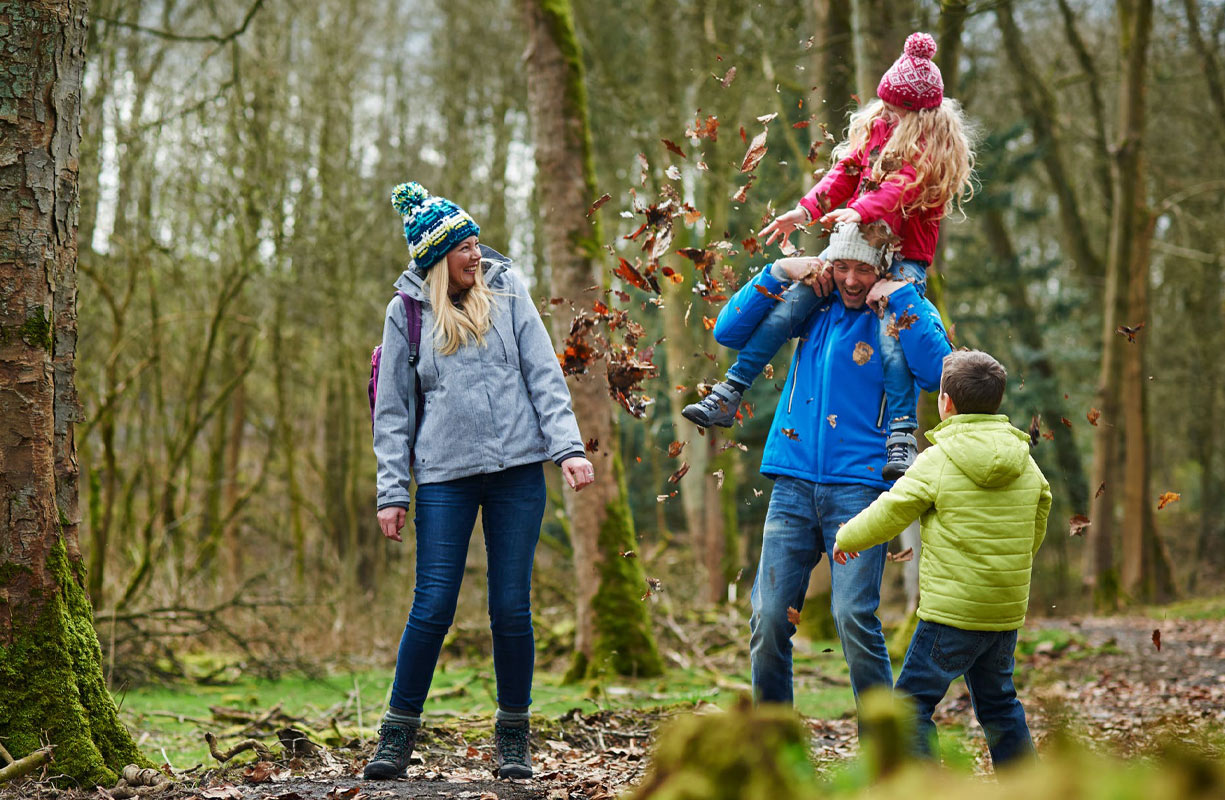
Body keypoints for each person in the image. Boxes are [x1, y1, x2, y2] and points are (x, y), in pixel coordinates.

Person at [367, 182, 595, 781]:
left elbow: (543, 374)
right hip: (444, 478)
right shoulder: (407, 313)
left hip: (518, 472)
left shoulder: (507, 288)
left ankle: (514, 738)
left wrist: (567, 449)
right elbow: (392, 411)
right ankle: (395, 736)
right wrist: (393, 491)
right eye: (463, 247)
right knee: (433, 605)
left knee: (510, 607)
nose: (476, 253)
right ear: (437, 258)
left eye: (475, 241)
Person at [684, 31, 975, 481]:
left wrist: (859, 215)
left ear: (920, 116)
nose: (889, 115)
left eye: (898, 111)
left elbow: (900, 189)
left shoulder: (929, 148)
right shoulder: (879, 128)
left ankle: (900, 433)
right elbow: (842, 173)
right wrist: (804, 211)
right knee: (788, 311)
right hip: (852, 241)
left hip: (902, 261)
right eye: (887, 107)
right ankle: (731, 390)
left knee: (891, 336)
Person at [710, 221, 951, 716]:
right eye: (842, 266)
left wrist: (903, 300)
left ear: (882, 268)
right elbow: (728, 331)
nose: (851, 280)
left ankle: (886, 757)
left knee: (852, 616)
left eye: (863, 268)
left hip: (862, 488)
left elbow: (939, 372)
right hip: (793, 482)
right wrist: (778, 271)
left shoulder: (898, 311)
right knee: (769, 616)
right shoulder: (813, 305)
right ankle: (775, 748)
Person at [833, 349, 1051, 768]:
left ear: (945, 403)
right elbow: (1039, 514)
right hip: (1002, 612)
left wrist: (847, 536)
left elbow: (891, 508)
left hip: (951, 614)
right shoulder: (1025, 461)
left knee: (911, 705)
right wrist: (1010, 564)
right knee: (999, 704)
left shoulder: (938, 459)